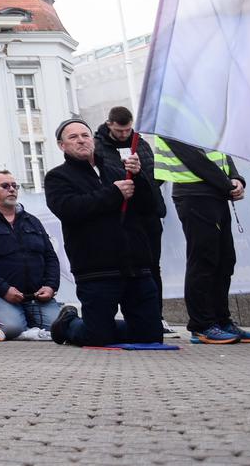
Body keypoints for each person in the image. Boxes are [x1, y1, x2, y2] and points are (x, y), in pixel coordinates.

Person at [44, 119, 163, 347]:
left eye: (85, 135)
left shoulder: (117, 170)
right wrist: (114, 193)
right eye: (73, 137)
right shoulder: (57, 177)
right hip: (97, 269)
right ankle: (68, 323)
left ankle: (109, 326)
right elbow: (70, 209)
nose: (81, 140)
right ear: (62, 146)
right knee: (97, 338)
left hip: (135, 265)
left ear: (93, 139)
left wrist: (138, 176)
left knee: (151, 336)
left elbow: (150, 207)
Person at [152, 134, 250, 344]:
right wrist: (227, 184)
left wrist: (236, 178)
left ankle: (221, 320)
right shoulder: (172, 114)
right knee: (204, 259)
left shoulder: (203, 116)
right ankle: (201, 325)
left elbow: (221, 148)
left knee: (225, 259)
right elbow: (193, 158)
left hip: (215, 193)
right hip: (193, 194)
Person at [95, 106, 168, 327]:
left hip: (146, 213)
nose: (124, 135)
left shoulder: (140, 144)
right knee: (119, 267)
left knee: (152, 266)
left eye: (127, 130)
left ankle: (156, 316)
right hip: (119, 215)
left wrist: (140, 177)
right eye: (119, 131)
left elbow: (156, 175)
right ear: (109, 125)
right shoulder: (98, 147)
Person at [0, 169, 62, 340]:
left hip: (37, 296)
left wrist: (51, 286)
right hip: (2, 295)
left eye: (14, 186)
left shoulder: (32, 220)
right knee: (12, 329)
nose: (12, 189)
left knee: (60, 329)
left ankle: (30, 323)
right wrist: (4, 289)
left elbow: (50, 257)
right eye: (5, 186)